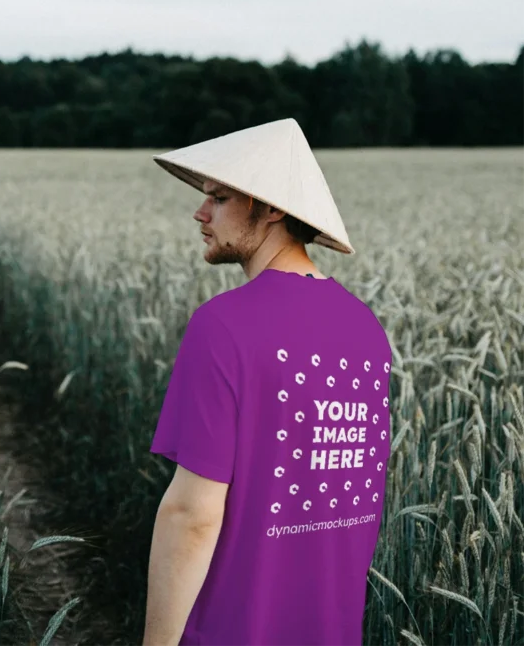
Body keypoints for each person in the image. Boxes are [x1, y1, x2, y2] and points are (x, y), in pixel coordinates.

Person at [143, 118, 392, 646]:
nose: (200, 211)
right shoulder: (367, 331)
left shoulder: (223, 326)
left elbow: (192, 515)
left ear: (272, 207)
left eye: (219, 198)